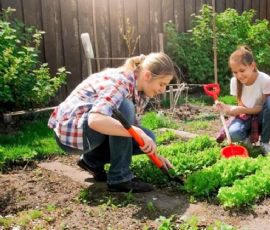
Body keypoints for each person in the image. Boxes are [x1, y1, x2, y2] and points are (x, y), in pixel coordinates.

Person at [48, 53, 176, 192]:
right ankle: (119, 179)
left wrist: (155, 156)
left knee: (148, 137)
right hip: (73, 133)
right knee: (124, 107)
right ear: (147, 76)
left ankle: (91, 161)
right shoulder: (120, 82)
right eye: (162, 84)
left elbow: (129, 128)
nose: (163, 90)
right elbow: (95, 120)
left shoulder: (140, 91)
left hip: (89, 132)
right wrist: (137, 131)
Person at [215, 46, 270, 155]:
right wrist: (225, 108)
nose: (239, 75)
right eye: (235, 72)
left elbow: (266, 108)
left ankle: (264, 142)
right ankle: (247, 139)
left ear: (252, 65)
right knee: (233, 133)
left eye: (242, 70)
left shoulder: (264, 80)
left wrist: (240, 110)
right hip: (246, 116)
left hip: (262, 118)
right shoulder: (234, 82)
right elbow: (240, 106)